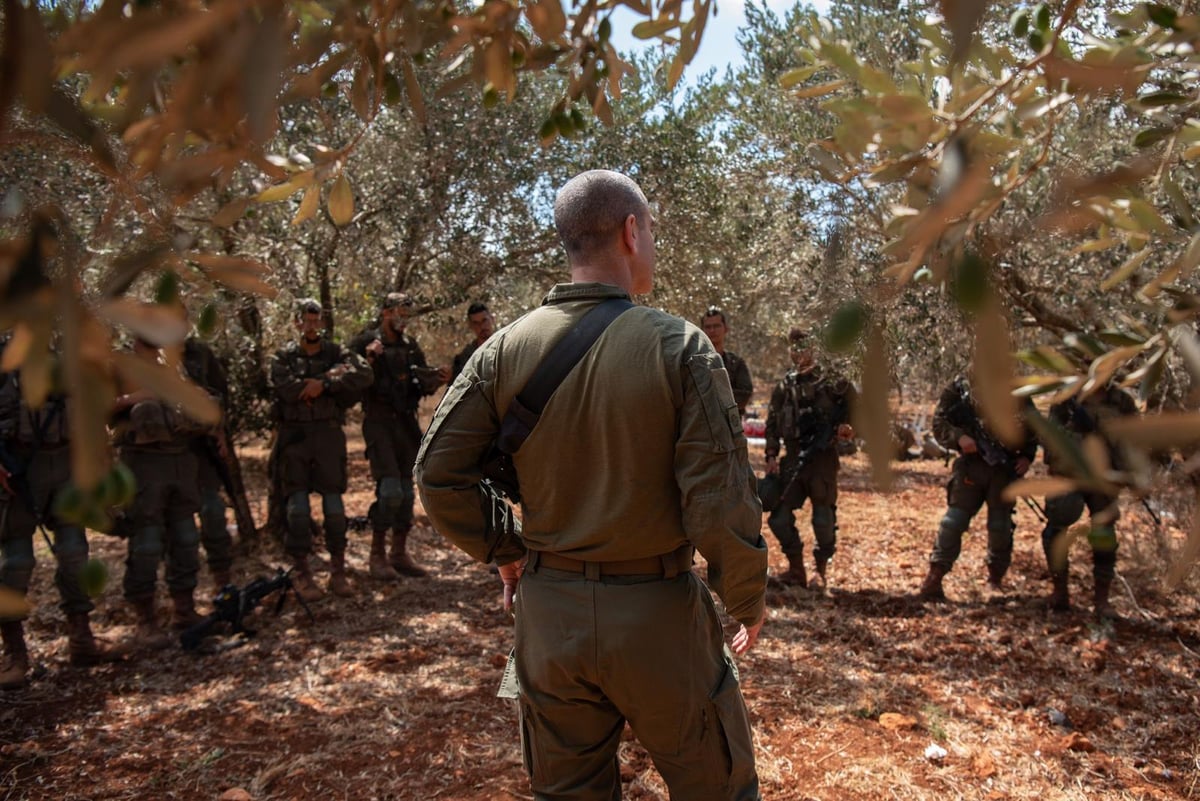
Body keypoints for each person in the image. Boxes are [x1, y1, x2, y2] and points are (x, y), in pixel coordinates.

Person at [416, 169, 767, 800]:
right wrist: (745, 598)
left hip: (548, 619)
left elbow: (437, 476)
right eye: (651, 230)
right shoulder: (680, 347)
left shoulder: (501, 349)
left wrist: (509, 549)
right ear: (632, 232)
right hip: (657, 614)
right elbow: (717, 502)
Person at [0, 350, 117, 688]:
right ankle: (15, 653)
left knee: (75, 551)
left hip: (65, 466)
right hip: (20, 469)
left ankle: (82, 637)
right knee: (17, 561)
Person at [113, 337, 212, 649]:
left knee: (185, 538)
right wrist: (133, 398)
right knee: (146, 542)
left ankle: (184, 608)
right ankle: (146, 619)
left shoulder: (173, 368)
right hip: (143, 464)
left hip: (180, 461)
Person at [270, 299, 372, 601]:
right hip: (294, 438)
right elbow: (284, 388)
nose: (312, 326)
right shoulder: (284, 356)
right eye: (306, 320)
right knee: (298, 510)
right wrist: (309, 385)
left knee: (334, 509)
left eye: (316, 320)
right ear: (297, 323)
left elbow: (363, 373)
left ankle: (338, 572)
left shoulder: (336, 353)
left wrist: (325, 382)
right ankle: (302, 573)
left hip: (328, 435)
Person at [349, 292, 445, 580]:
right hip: (379, 423)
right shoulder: (364, 341)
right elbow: (349, 380)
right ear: (385, 312)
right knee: (389, 490)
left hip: (406, 424)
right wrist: (368, 359)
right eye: (399, 313)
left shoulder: (410, 346)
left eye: (407, 314)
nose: (403, 320)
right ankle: (376, 554)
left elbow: (418, 381)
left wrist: (434, 378)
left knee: (405, 491)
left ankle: (399, 553)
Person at [917, 374, 1038, 601]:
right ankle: (934, 578)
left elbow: (1034, 426)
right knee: (954, 522)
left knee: (1000, 526)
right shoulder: (959, 385)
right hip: (971, 468)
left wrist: (1027, 457)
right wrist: (959, 438)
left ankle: (995, 581)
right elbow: (939, 423)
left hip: (1003, 470)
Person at [762, 328, 857, 588]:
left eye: (803, 345)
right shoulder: (785, 385)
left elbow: (857, 409)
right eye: (794, 346)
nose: (798, 351)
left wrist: (846, 429)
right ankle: (796, 570)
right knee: (778, 517)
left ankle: (820, 572)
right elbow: (771, 423)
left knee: (823, 519)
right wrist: (771, 454)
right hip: (793, 458)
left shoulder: (832, 382)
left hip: (823, 460)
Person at [1041, 385, 1138, 617]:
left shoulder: (1121, 401)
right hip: (1068, 474)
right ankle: (1059, 592)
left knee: (1104, 533)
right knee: (1056, 529)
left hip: (1104, 477)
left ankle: (1102, 600)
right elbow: (1050, 433)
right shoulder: (1065, 397)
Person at [182, 334, 234, 590]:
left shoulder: (200, 353)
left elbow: (220, 394)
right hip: (162, 452)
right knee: (179, 530)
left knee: (213, 512)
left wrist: (220, 430)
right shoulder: (146, 355)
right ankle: (182, 600)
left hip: (202, 448)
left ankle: (221, 584)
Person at [701, 306, 753, 416]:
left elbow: (744, 396)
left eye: (716, 326)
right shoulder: (694, 362)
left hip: (729, 427)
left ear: (726, 329)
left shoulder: (736, 363)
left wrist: (711, 395)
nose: (712, 330)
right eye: (708, 327)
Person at [446, 302, 497, 383]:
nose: (482, 326)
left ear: (492, 319)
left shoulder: (506, 345)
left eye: (484, 321)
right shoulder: (465, 358)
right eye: (476, 323)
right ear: (471, 326)